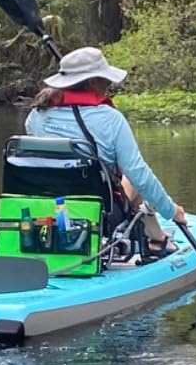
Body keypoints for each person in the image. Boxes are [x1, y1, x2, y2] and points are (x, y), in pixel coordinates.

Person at [25, 45, 187, 254]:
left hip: (46, 211)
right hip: (98, 215)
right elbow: (140, 175)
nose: (110, 83)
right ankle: (159, 240)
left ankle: (156, 237)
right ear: (93, 82)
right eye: (105, 77)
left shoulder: (37, 114)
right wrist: (172, 211)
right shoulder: (110, 119)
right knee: (134, 180)